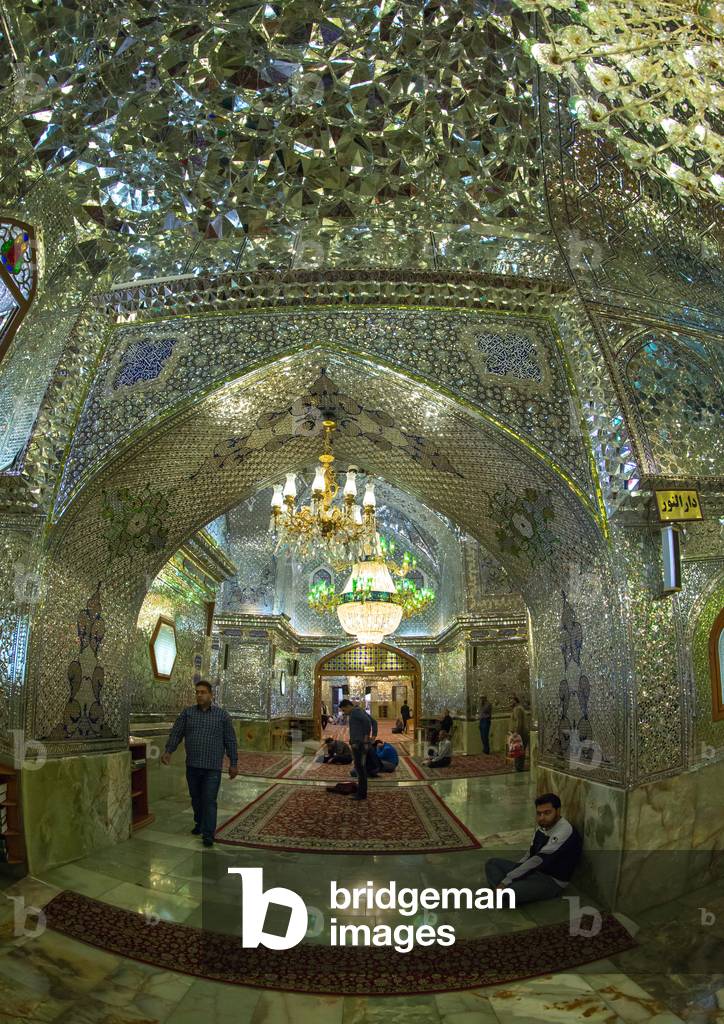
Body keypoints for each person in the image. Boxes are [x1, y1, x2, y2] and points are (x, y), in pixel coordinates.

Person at [162, 680, 238, 847]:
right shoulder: (188, 714)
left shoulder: (222, 716)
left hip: (212, 768)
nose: (199, 695)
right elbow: (177, 733)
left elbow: (230, 740)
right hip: (193, 766)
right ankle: (200, 823)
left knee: (209, 800)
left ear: (211, 695)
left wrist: (233, 762)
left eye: (203, 692)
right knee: (196, 798)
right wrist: (169, 751)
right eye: (197, 692)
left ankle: (208, 834)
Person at [485, 793, 582, 905]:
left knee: (510, 894)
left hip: (551, 880)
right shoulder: (543, 826)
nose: (542, 818)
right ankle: (503, 890)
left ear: (558, 811)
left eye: (547, 813)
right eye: (539, 813)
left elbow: (537, 860)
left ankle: (504, 891)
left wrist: (507, 880)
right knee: (492, 863)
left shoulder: (563, 831)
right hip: (534, 871)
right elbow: (530, 855)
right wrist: (516, 871)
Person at [339, 699, 371, 800]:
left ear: (348, 706)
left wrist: (365, 740)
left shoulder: (356, 712)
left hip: (359, 744)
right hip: (357, 743)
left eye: (344, 710)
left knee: (360, 769)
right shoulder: (355, 713)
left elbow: (368, 722)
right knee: (359, 768)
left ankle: (361, 794)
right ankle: (360, 792)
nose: (344, 712)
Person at [509, 695, 529, 772]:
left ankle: (519, 767)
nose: (510, 702)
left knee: (518, 750)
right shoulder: (517, 708)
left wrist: (516, 733)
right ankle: (519, 767)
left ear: (515, 700)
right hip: (520, 733)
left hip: (521, 733)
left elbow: (519, 722)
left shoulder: (518, 709)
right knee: (518, 750)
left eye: (511, 700)